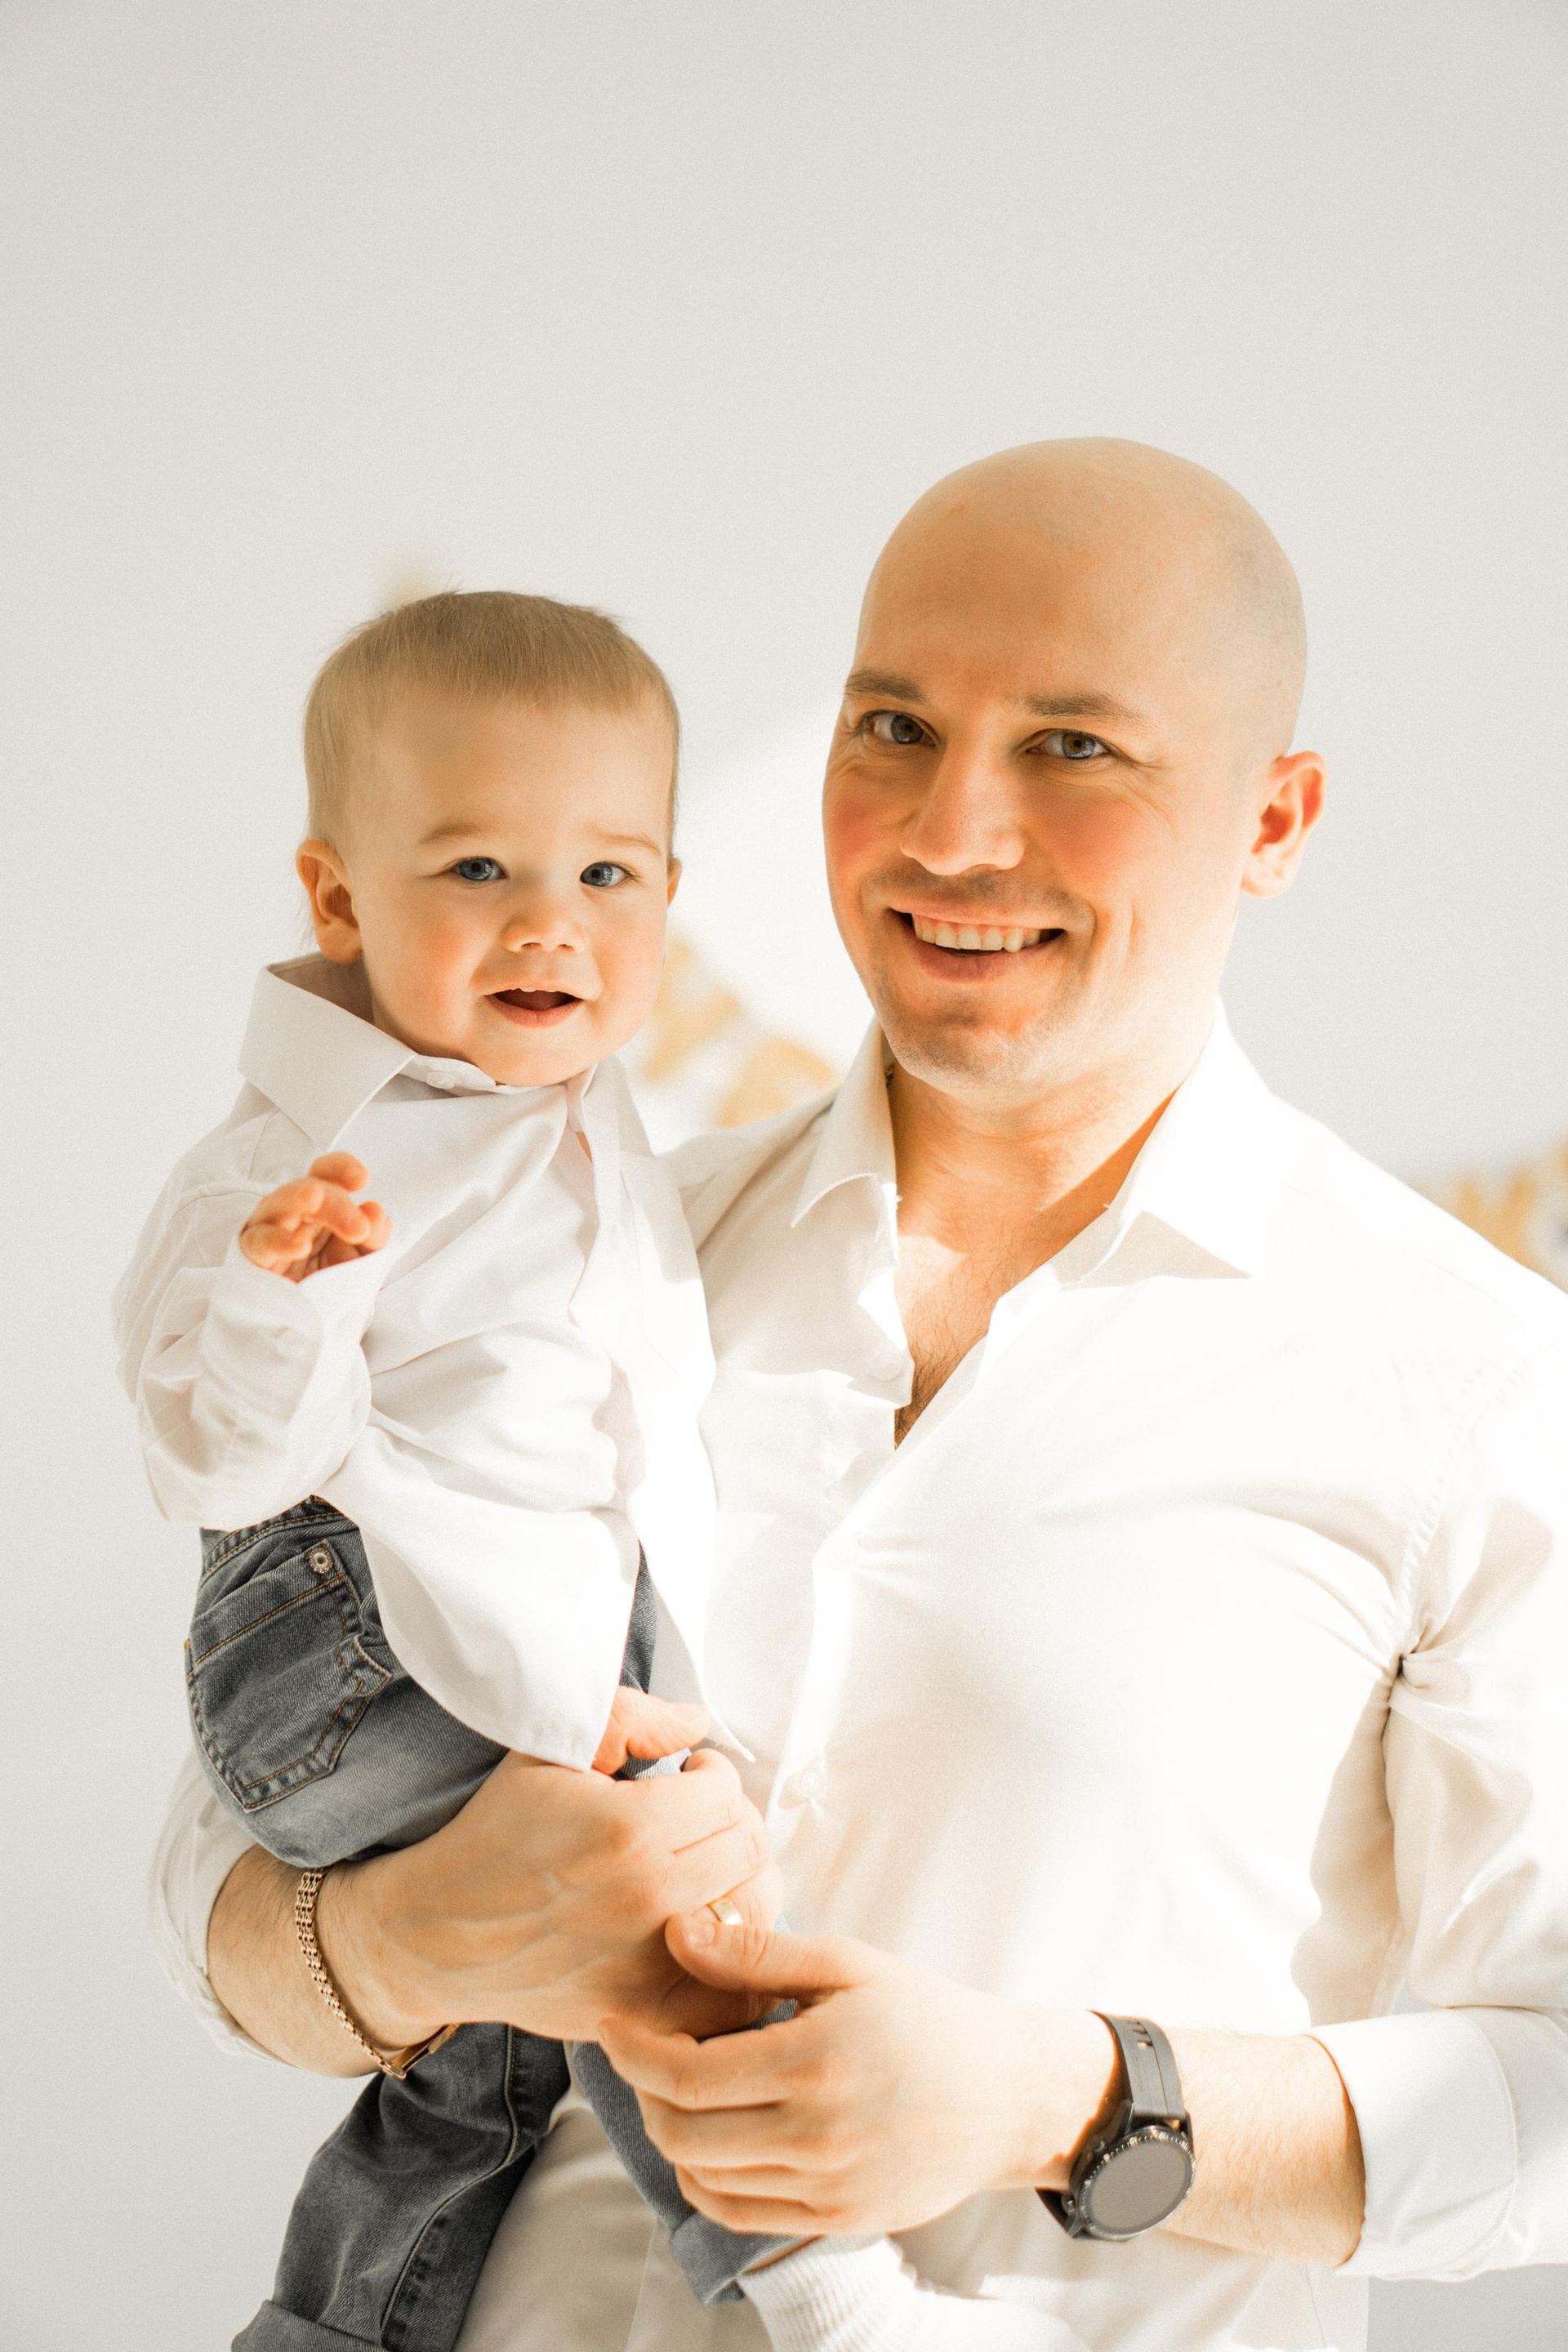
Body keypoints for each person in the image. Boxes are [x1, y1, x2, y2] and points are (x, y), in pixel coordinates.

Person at [151, 441, 1568, 2352]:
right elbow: (217, 1881)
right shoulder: (573, 1253)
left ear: (1276, 818)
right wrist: (418, 1937)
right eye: (895, 727)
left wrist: (1067, 2099)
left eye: (1074, 748)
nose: (951, 832)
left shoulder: (1474, 1380)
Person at [121, 593, 1027, 2352]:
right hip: (340, 1634)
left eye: (608, 874)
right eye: (476, 869)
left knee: (488, 2063)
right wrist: (283, 1296)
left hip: (499, 1633)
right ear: (337, 903)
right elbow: (214, 1465)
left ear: (670, 899)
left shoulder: (586, 1115)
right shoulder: (302, 1163)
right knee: (660, 1910)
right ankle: (813, 2281)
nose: (550, 922)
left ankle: (339, 2326)